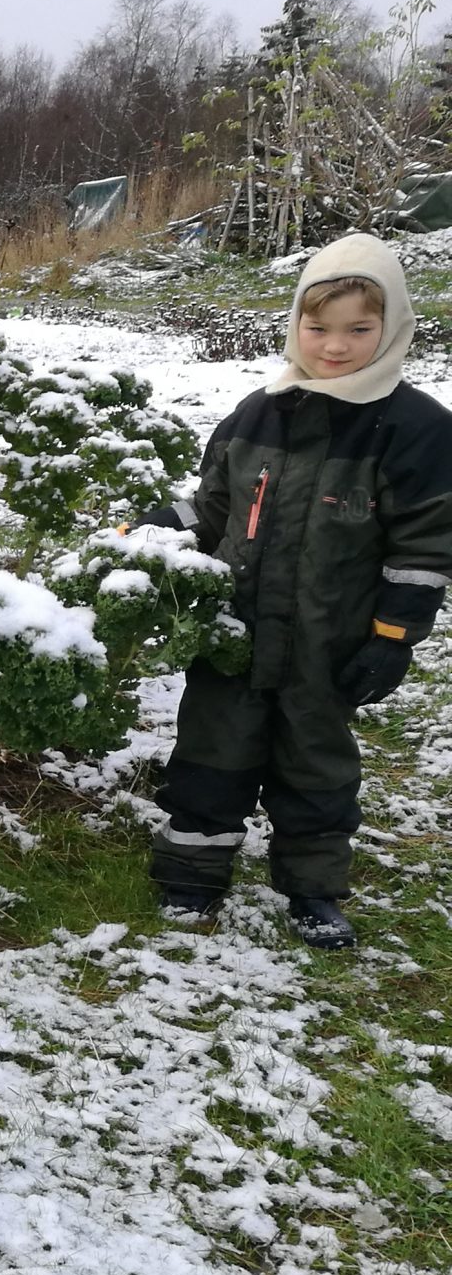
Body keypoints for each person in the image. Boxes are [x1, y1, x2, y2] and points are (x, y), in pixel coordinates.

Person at [143, 232, 452, 948]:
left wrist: (393, 637)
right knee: (212, 751)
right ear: (295, 325)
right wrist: (164, 526)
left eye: (358, 330)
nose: (335, 346)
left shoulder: (416, 431)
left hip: (330, 641)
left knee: (315, 764)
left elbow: (425, 548)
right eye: (318, 328)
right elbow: (215, 507)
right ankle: (191, 875)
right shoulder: (259, 411)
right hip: (237, 634)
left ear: (392, 327)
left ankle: (314, 890)